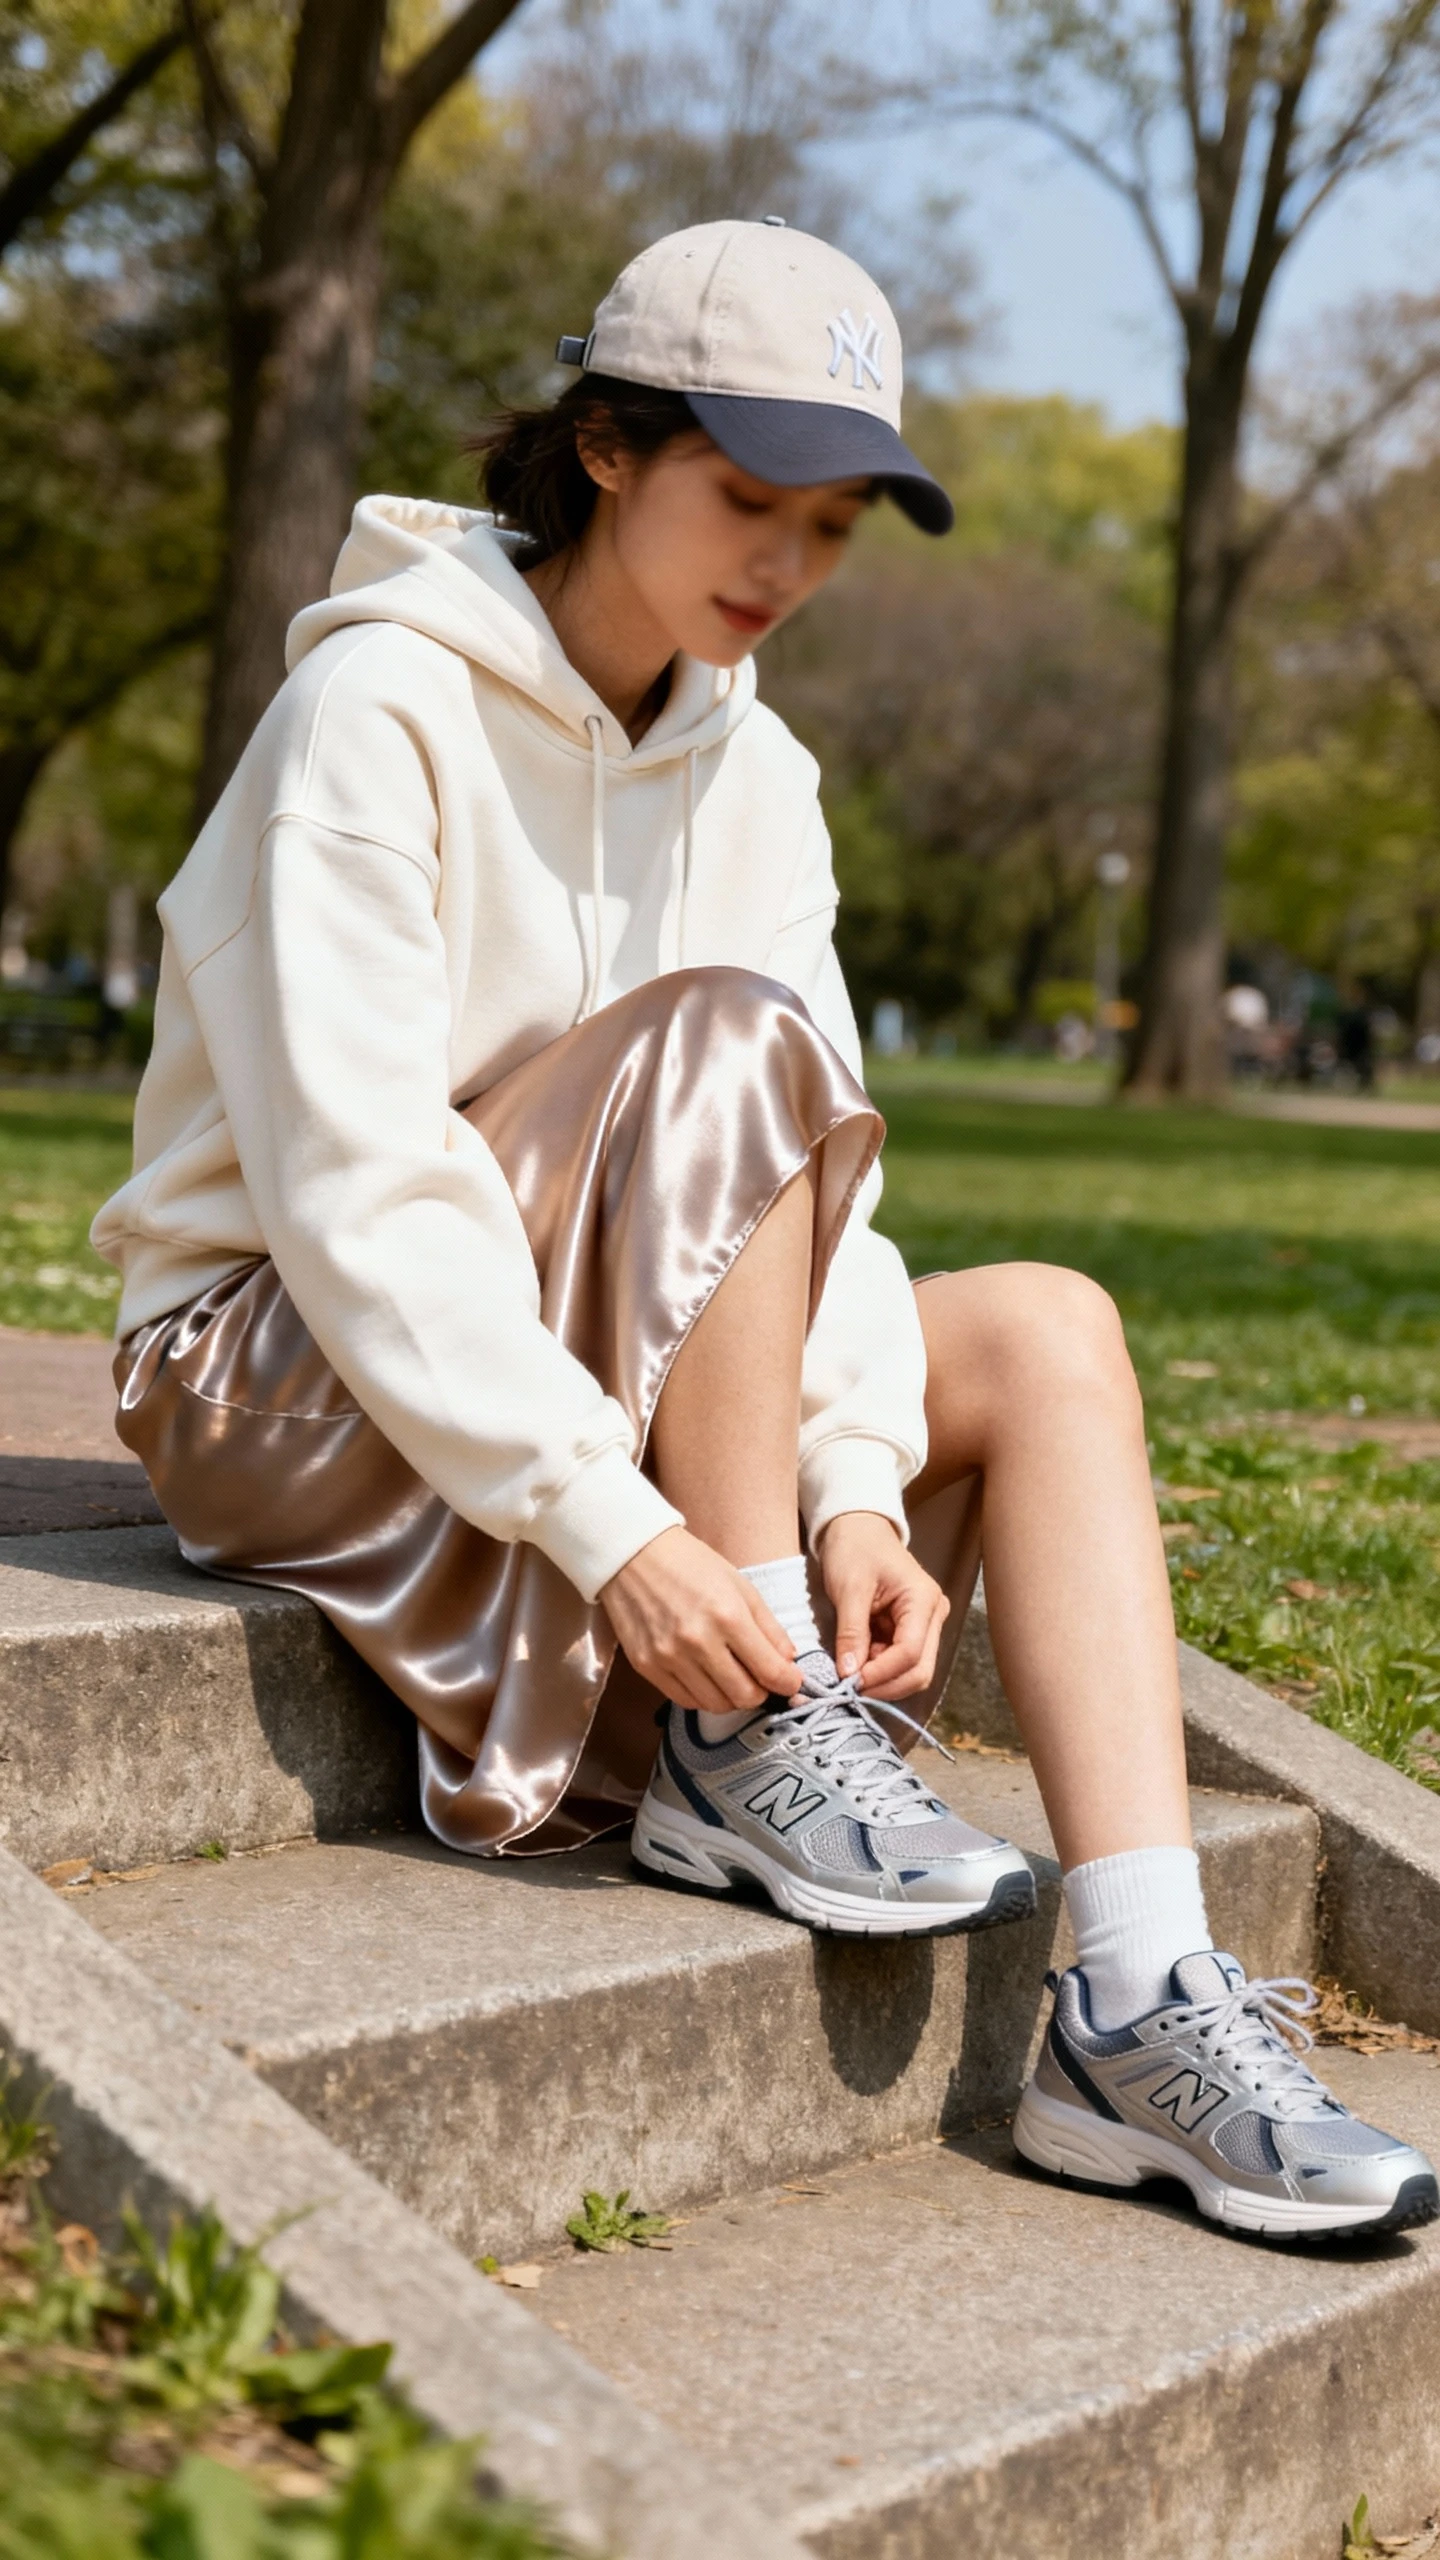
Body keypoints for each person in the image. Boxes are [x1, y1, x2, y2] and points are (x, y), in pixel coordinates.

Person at [93, 218, 1435, 2244]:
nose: (784, 565)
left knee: (1051, 1326)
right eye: (745, 496)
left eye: (829, 524)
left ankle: (1136, 1999)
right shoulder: (374, 713)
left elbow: (812, 1183)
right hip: (274, 1363)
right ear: (609, 445)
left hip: (581, 1331)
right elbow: (357, 1185)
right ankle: (746, 1726)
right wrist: (619, 1531)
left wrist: (858, 1481)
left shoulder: (758, 770)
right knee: (725, 1039)